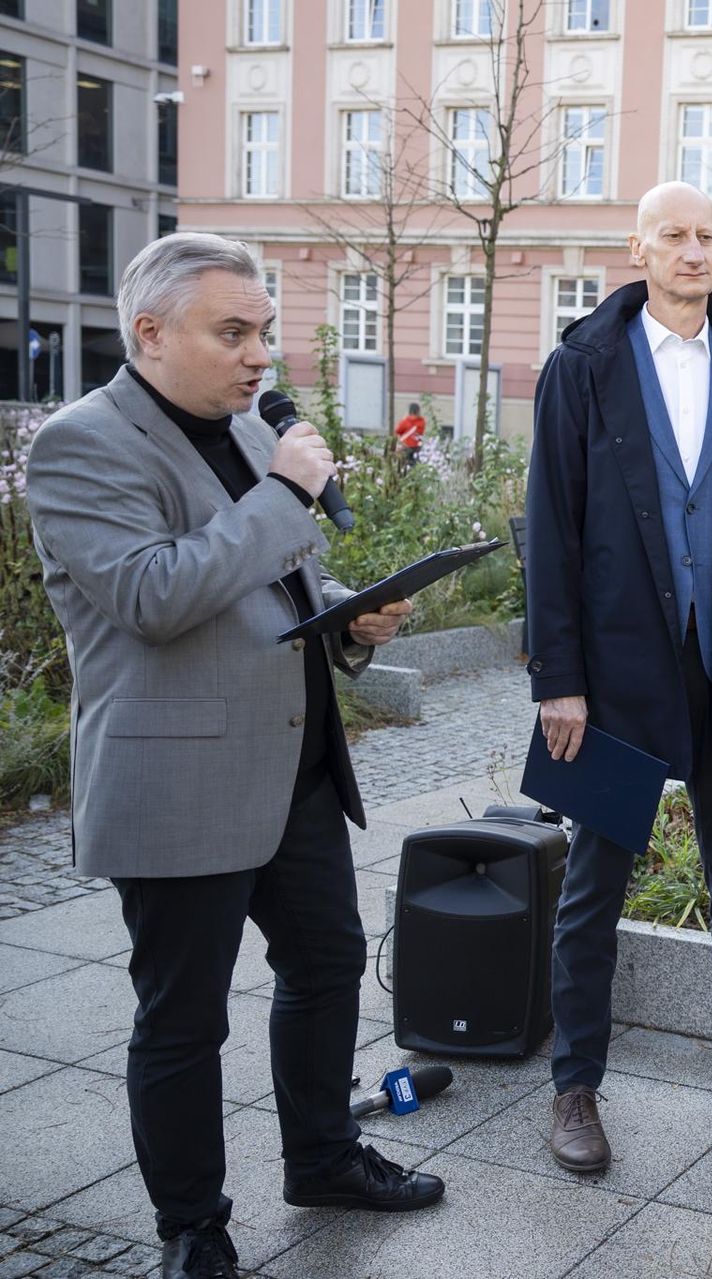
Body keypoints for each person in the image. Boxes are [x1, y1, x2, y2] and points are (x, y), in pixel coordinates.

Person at [23, 233, 437, 1279]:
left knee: (328, 965)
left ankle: (324, 1159)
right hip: (177, 779)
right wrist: (286, 496)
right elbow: (154, 595)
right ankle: (193, 1227)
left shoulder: (250, 431)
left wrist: (349, 615)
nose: (260, 356)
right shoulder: (81, 445)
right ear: (151, 331)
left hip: (294, 763)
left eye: (265, 331)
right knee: (183, 1018)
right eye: (234, 332)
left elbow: (272, 580)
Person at [525, 182, 712, 1176]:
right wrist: (558, 678)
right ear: (639, 248)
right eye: (675, 236)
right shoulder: (583, 366)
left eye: (707, 236)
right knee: (593, 890)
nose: (695, 251)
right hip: (612, 676)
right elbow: (552, 529)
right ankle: (575, 1084)